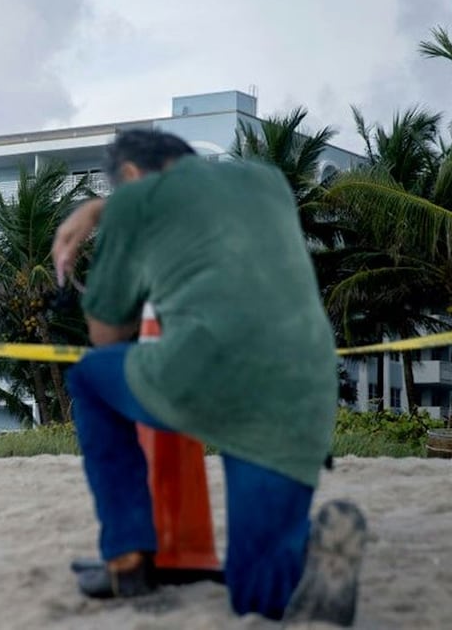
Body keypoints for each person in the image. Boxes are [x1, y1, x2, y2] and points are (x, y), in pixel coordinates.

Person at [51, 129, 367, 625]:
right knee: (256, 593)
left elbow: (107, 335)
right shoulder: (266, 181)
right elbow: (199, 208)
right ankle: (306, 568)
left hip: (209, 374)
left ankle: (127, 561)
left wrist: (103, 227)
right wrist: (102, 210)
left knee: (92, 378)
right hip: (304, 388)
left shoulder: (135, 200)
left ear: (130, 174)